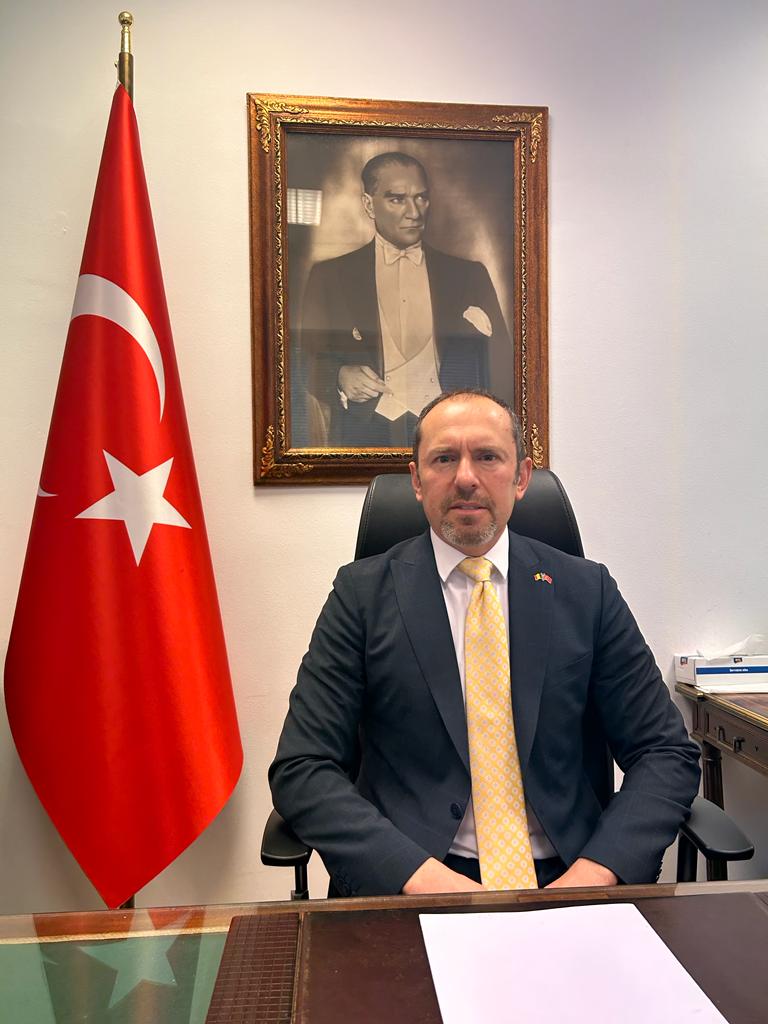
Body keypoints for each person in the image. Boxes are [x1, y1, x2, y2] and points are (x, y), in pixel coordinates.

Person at [270, 390, 701, 896]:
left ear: (521, 477)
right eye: (443, 458)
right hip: (413, 879)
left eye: (488, 456)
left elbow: (664, 752)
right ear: (416, 480)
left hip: (569, 877)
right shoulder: (361, 596)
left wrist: (595, 873)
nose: (465, 477)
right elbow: (303, 767)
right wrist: (419, 878)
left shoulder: (587, 592)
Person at [300, 153, 511, 446]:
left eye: (421, 198)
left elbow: (503, 363)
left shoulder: (469, 275)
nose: (414, 212)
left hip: (456, 434)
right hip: (363, 435)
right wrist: (339, 377)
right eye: (397, 199)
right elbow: (302, 361)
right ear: (368, 205)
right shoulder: (329, 276)